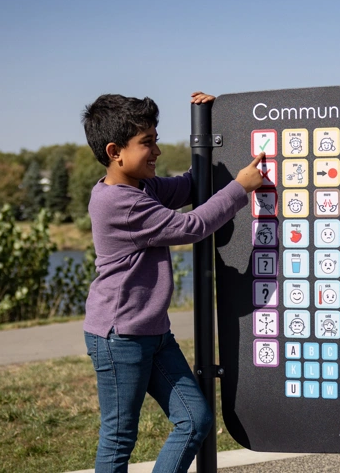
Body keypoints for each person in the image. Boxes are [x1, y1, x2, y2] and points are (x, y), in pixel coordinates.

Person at [81, 92, 264, 473]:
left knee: (195, 419)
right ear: (115, 151)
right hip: (120, 337)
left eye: (155, 139)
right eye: (146, 143)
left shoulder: (141, 188)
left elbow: (188, 186)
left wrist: (214, 121)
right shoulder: (118, 202)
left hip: (153, 332)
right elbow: (192, 226)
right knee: (119, 439)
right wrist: (239, 188)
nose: (157, 151)